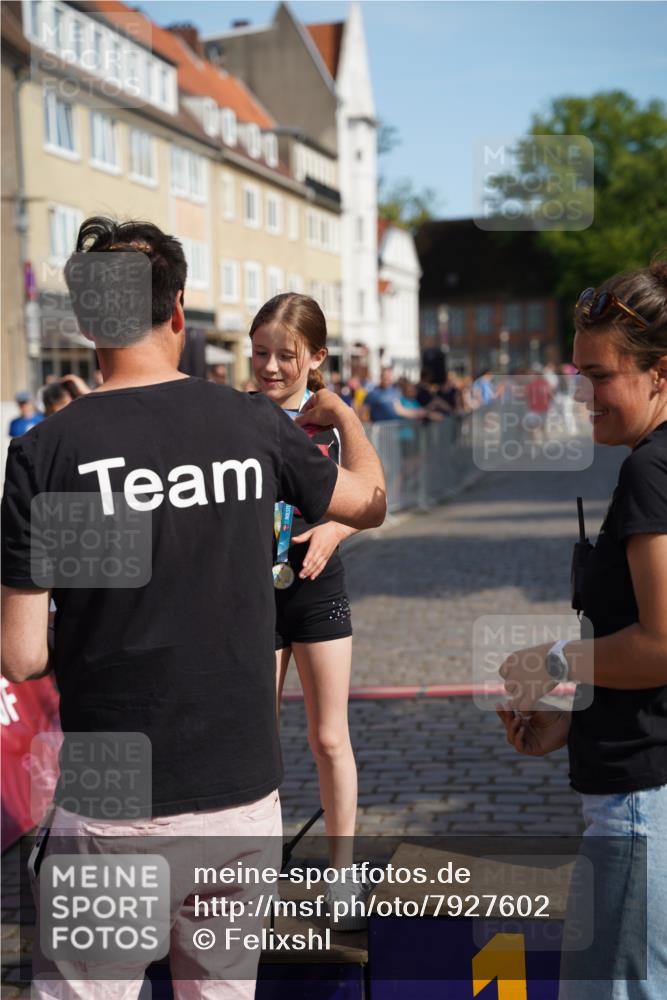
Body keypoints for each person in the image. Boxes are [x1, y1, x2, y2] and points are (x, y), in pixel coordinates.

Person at [1, 217, 386, 999]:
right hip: (239, 794)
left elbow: (22, 656)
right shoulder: (250, 427)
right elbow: (370, 503)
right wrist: (340, 413)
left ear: (88, 322)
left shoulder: (51, 450)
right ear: (178, 311)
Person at [497, 257, 667, 998]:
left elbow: (661, 644)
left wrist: (555, 659)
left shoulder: (649, 473)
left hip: (639, 804)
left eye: (599, 377)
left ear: (659, 372)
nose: (581, 395)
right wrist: (575, 724)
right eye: (578, 374)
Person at [249, 293, 366, 930]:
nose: (269, 367)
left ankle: (342, 875)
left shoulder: (333, 417)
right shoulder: (237, 416)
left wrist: (335, 531)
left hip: (317, 589)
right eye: (260, 353)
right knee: (257, 741)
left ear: (315, 357)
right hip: (251, 595)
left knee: (328, 738)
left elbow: (373, 497)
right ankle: (259, 874)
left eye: (284, 356)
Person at [363, 367, 431, 423]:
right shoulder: (373, 393)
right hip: (378, 431)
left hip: (392, 431)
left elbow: (400, 410)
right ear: (381, 377)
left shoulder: (394, 392)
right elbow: (364, 412)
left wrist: (422, 413)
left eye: (389, 377)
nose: (387, 379)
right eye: (386, 377)